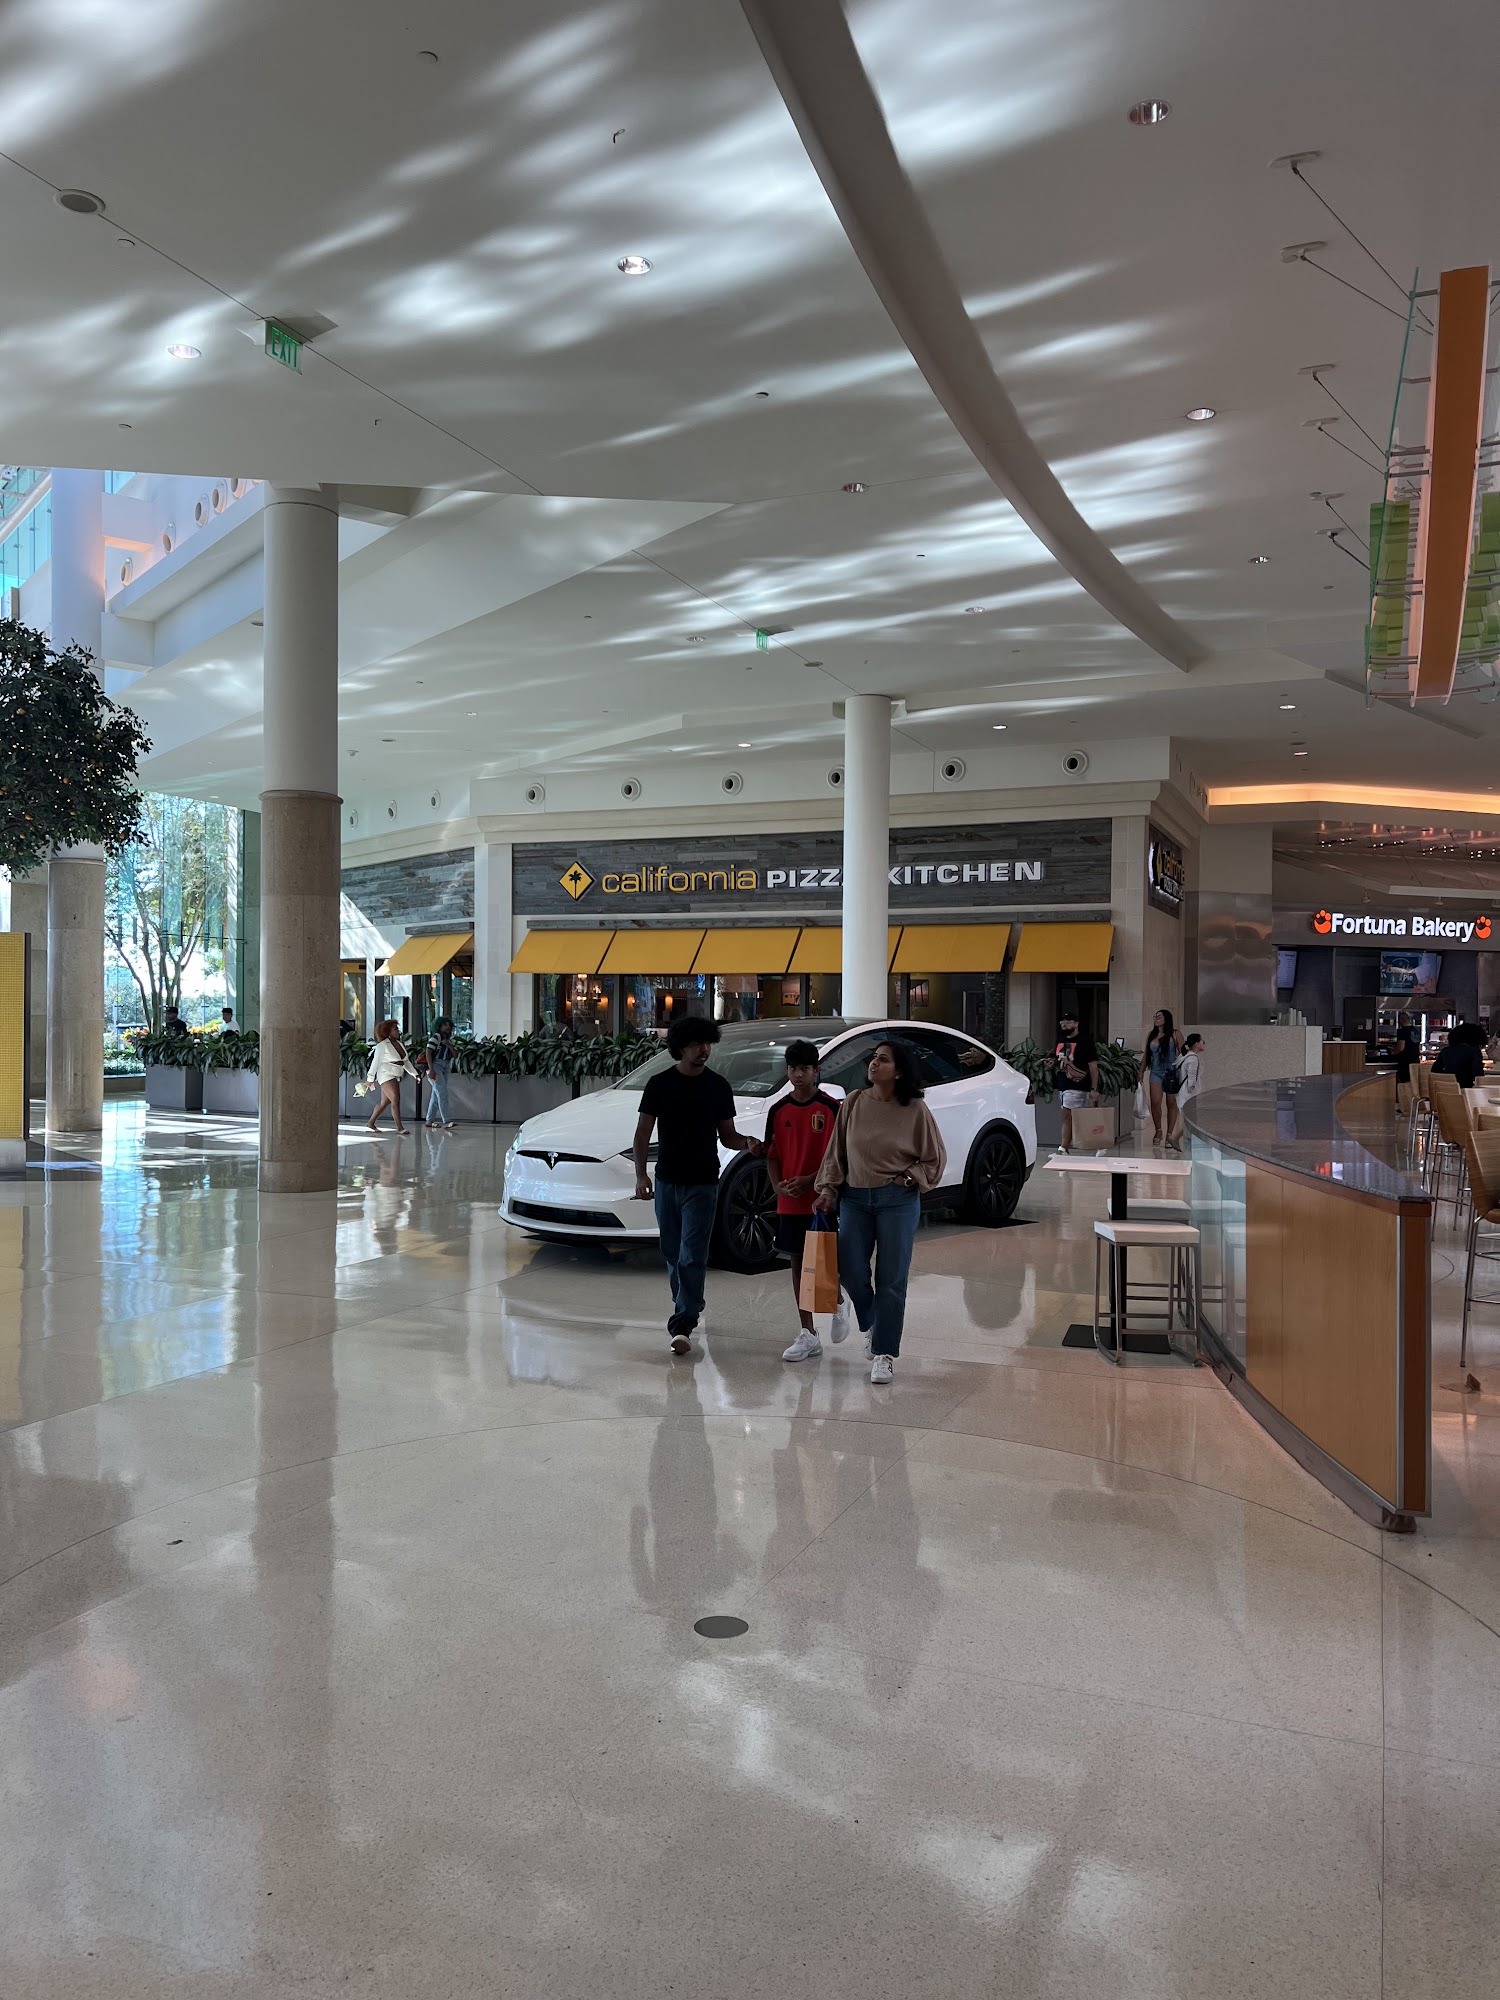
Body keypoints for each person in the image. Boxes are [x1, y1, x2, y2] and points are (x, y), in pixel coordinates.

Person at [813, 1038, 947, 1387]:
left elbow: (934, 1158)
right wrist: (828, 1189)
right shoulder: (854, 1102)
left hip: (897, 1200)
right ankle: (873, 1320)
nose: (874, 1063)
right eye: (874, 1058)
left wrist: (909, 1177)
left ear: (898, 1071)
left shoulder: (915, 1109)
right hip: (854, 1198)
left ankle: (884, 1353)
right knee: (849, 1269)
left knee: (891, 1279)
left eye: (883, 1059)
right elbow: (836, 1153)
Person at [633, 1015, 759, 1355]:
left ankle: (683, 1323)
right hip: (667, 1181)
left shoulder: (718, 1086)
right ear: (680, 1047)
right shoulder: (659, 1084)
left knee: (691, 1255)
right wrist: (641, 1175)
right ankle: (690, 1300)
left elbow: (727, 1135)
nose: (704, 1049)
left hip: (703, 1182)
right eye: (696, 1044)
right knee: (672, 1252)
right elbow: (643, 1132)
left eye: (707, 1043)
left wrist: (747, 1143)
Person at [763, 1040, 851, 1362]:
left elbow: (840, 1157)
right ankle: (808, 1333)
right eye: (792, 1069)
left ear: (816, 1070)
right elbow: (772, 1155)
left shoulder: (831, 1108)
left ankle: (838, 1301)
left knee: (825, 1260)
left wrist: (811, 1181)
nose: (797, 1075)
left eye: (804, 1068)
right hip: (790, 1201)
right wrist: (778, 1186)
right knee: (798, 1262)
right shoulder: (778, 1110)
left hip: (823, 1198)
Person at [1051, 1009, 1099, 1154]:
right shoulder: (1061, 1040)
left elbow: (1093, 1066)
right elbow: (1059, 1059)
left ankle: (1063, 1148)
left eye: (1068, 1022)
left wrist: (1094, 1088)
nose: (1064, 1024)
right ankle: (1097, 1144)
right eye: (1062, 1022)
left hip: (1078, 1084)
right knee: (1073, 1117)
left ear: (1076, 1024)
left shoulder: (1085, 1042)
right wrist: (1052, 1062)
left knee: (1067, 1116)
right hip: (1063, 1083)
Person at [1141, 1008, 1184, 1148]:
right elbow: (1146, 1055)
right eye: (1155, 1016)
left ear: (1166, 1019)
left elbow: (1183, 1054)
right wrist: (1140, 1072)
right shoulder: (1152, 1034)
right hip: (1156, 1072)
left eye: (1159, 1016)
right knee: (1155, 1102)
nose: (1156, 1018)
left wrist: (1184, 1073)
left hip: (1171, 1072)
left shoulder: (1175, 1034)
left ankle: (1169, 1134)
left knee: (1171, 1103)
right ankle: (1158, 1130)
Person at [365, 1018, 413, 1134]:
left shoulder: (399, 1044)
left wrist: (415, 1074)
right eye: (395, 1029)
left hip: (395, 1074)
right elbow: (375, 1063)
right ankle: (400, 1127)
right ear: (388, 1032)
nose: (398, 1031)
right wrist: (370, 1079)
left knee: (385, 1102)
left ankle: (371, 1123)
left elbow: (405, 1062)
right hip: (386, 1075)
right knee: (395, 1098)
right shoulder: (382, 1046)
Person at [1169, 1032, 1205, 1144]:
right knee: (1191, 1120)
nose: (1203, 1043)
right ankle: (1175, 1138)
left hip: (1181, 1093)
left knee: (1189, 1119)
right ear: (1196, 1044)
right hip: (1189, 1094)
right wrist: (1192, 1090)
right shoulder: (1193, 1058)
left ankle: (1184, 1140)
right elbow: (1192, 1077)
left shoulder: (1184, 1055)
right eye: (1201, 1041)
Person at [422, 1016, 456, 1128]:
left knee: (436, 1094)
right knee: (441, 1093)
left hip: (445, 1067)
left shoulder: (448, 1039)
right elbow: (428, 1052)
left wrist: (449, 1045)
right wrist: (431, 1069)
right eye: (445, 1025)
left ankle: (429, 1120)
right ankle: (446, 1120)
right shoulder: (436, 1037)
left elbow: (455, 1055)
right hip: (435, 1066)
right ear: (439, 1026)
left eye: (448, 1025)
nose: (447, 1027)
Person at [1432, 1020, 1485, 1090]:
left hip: (1446, 1090)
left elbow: (1435, 1071)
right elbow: (1478, 1075)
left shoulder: (1445, 1051)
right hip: (1467, 1090)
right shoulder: (1474, 1051)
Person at [1393, 1016, 1419, 1118]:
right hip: (1415, 1060)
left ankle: (1405, 1106)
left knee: (1404, 1083)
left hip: (1405, 1061)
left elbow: (1401, 1047)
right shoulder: (1415, 1031)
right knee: (1413, 1083)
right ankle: (1415, 1105)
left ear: (1401, 1020)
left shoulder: (1402, 1031)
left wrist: (1393, 1051)